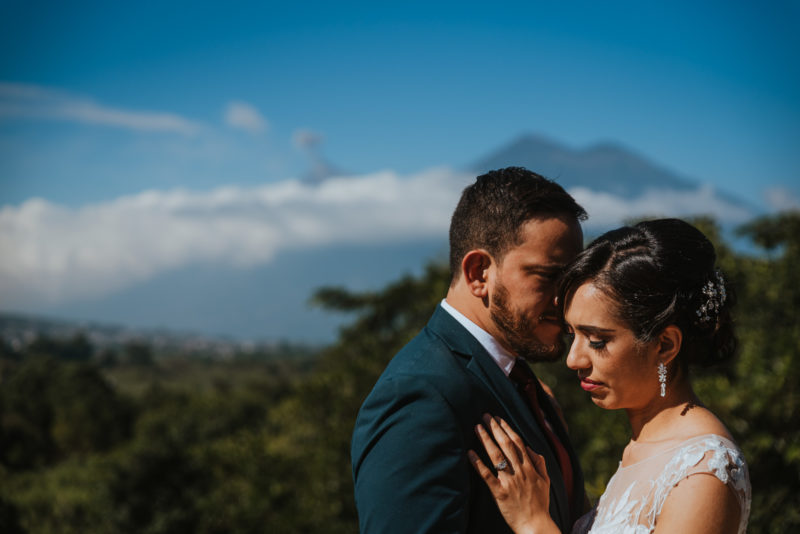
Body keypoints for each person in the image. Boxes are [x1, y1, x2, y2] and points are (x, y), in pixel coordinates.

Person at [469, 218, 751, 534]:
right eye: (571, 333)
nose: (573, 359)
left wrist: (532, 522)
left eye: (598, 340)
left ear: (665, 345)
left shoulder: (703, 474)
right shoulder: (641, 443)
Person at [351, 167, 588, 533]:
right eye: (548, 276)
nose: (565, 298)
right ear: (479, 273)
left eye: (572, 279)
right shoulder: (421, 397)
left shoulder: (522, 384)